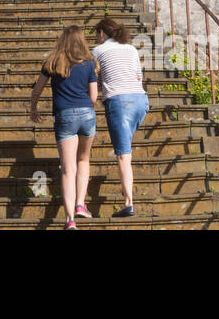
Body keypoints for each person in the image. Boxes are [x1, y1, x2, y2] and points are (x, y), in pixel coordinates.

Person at [30, 26, 99, 229]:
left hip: (64, 116)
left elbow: (36, 90)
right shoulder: (90, 63)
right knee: (84, 159)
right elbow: (94, 97)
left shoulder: (53, 61)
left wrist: (33, 109)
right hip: (86, 114)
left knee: (68, 170)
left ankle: (70, 220)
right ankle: (80, 204)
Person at [92, 17, 149, 217]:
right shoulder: (131, 49)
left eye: (96, 35)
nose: (96, 38)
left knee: (123, 155)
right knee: (125, 148)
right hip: (141, 100)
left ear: (101, 33)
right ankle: (128, 199)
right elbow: (138, 76)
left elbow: (94, 80)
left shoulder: (97, 52)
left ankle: (128, 202)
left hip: (119, 102)